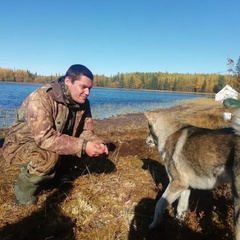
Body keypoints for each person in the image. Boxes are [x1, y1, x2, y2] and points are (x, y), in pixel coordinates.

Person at [2, 64, 109, 205]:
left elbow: (86, 131)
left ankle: (59, 175)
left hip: (53, 140)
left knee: (83, 148)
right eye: (83, 87)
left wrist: (97, 144)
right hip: (21, 143)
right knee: (49, 157)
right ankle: (23, 195)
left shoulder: (83, 103)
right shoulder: (41, 98)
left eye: (90, 88)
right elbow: (45, 138)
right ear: (68, 81)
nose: (87, 92)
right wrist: (83, 146)